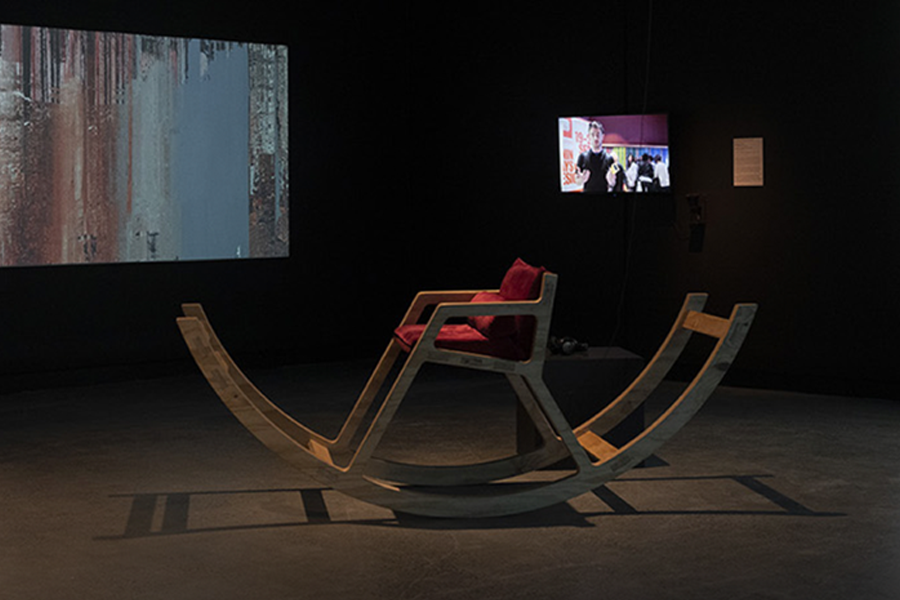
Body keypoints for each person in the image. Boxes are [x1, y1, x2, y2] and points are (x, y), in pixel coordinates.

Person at [575, 121, 616, 193]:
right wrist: (581, 179)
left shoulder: (611, 159)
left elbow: (614, 182)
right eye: (592, 134)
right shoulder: (581, 157)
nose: (595, 138)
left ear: (603, 136)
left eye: (598, 134)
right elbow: (577, 181)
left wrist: (611, 180)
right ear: (589, 136)